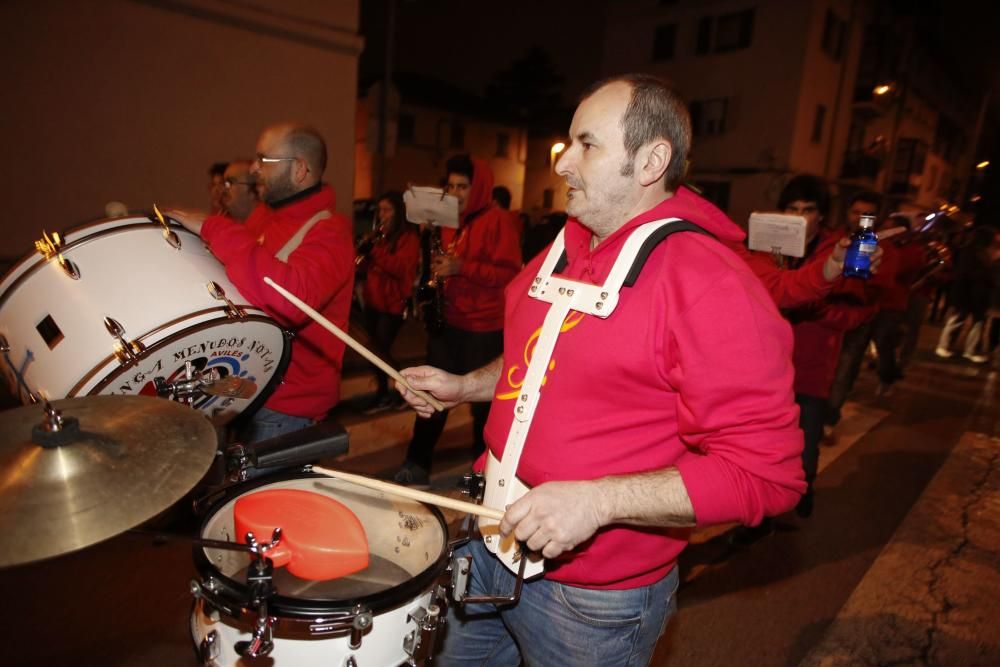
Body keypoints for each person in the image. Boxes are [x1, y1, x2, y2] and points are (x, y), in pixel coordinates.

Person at [396, 75, 804, 665]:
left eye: (586, 144)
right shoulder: (564, 244)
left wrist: (598, 502)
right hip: (490, 539)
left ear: (651, 160)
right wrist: (466, 387)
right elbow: (536, 356)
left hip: (591, 601)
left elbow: (768, 474)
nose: (562, 163)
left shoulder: (713, 283)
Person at [168, 123, 354, 442]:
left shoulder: (331, 233)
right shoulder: (266, 216)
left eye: (264, 161)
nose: (254, 169)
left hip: (287, 408)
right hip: (249, 388)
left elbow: (289, 300)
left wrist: (219, 230)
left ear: (300, 169)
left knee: (260, 491)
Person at [393, 155, 522, 486]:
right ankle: (417, 462)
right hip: (448, 324)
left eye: (462, 186)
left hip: (483, 329)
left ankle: (483, 472)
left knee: (484, 409)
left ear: (478, 187)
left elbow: (509, 274)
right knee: (432, 397)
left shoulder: (499, 221)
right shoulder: (449, 220)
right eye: (450, 185)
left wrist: (461, 267)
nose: (455, 192)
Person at [358, 190, 420, 413]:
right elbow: (371, 267)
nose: (382, 214)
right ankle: (385, 393)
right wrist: (364, 255)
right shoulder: (382, 236)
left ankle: (403, 390)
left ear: (398, 212)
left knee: (380, 351)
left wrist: (374, 252)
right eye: (380, 210)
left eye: (387, 210)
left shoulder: (408, 239)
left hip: (392, 304)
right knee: (374, 351)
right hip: (374, 302)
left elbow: (400, 268)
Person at [936, 224, 1000, 363]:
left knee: (979, 323)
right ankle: (944, 345)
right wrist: (987, 273)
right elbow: (966, 273)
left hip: (981, 294)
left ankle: (970, 350)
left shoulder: (988, 252)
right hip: (966, 291)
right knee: (958, 319)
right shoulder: (969, 252)